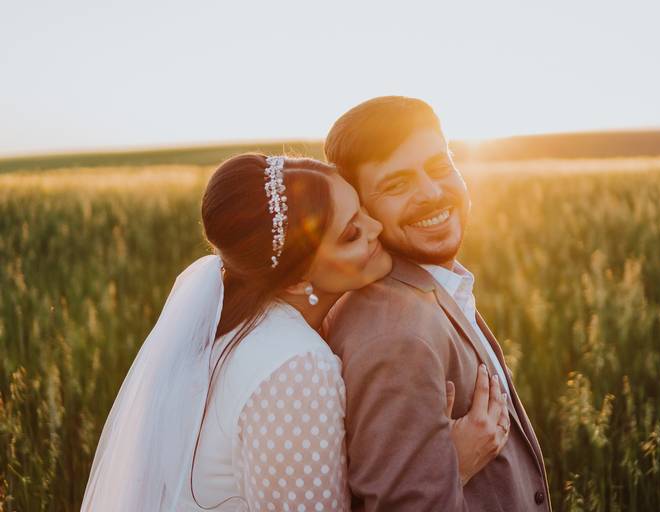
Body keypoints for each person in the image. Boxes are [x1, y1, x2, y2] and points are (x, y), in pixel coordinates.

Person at [81, 154, 508, 511]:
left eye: (362, 210)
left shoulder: (238, 333)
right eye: (351, 233)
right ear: (293, 279)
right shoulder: (295, 368)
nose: (377, 228)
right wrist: (448, 466)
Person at [323, 96, 551, 511]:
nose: (431, 192)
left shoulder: (431, 289)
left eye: (440, 166)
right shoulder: (396, 336)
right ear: (361, 209)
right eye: (396, 184)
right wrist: (454, 467)